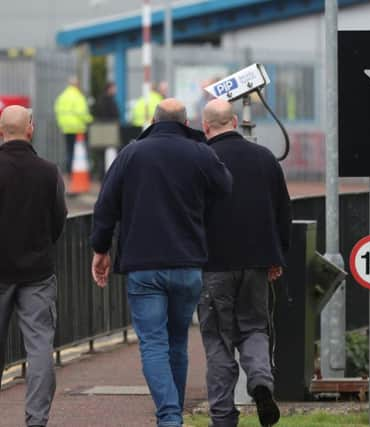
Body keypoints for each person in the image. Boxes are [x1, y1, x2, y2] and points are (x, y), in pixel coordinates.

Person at [90, 98, 232, 427]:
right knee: (178, 341)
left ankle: (169, 418)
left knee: (153, 342)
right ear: (186, 123)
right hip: (187, 264)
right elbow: (225, 186)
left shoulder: (131, 154)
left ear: (153, 121)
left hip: (144, 266)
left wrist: (101, 249)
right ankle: (173, 413)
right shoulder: (199, 153)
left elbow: (105, 205)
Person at [199, 99, 291, 427]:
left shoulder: (202, 159)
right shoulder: (265, 158)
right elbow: (283, 210)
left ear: (205, 126)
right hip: (257, 262)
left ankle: (223, 417)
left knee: (219, 340)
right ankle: (261, 382)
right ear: (235, 122)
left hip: (214, 264)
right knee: (254, 327)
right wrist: (277, 255)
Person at [0, 106, 67, 427]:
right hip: (37, 273)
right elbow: (59, 219)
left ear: (1, 132)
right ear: (31, 128)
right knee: (39, 347)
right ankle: (36, 420)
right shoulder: (49, 171)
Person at [54, 76, 93, 174]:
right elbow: (82, 113)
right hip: (78, 128)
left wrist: (62, 123)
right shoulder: (78, 96)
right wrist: (90, 120)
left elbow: (57, 111)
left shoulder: (62, 96)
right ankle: (80, 171)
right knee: (80, 152)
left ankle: (69, 171)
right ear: (76, 84)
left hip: (66, 128)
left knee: (69, 150)